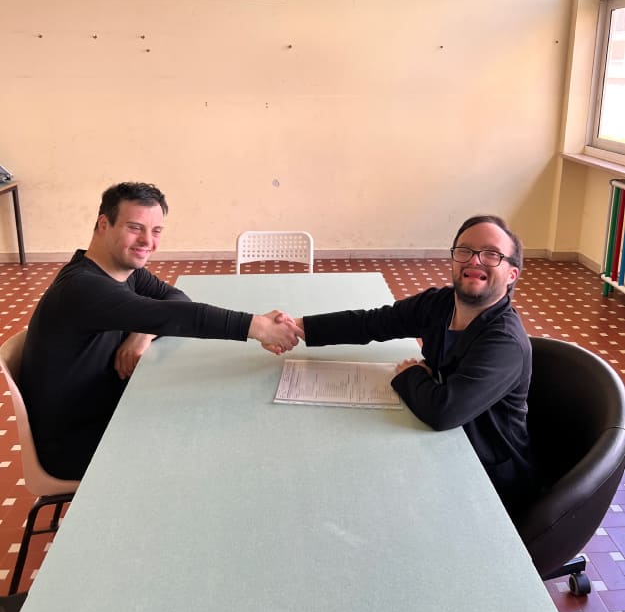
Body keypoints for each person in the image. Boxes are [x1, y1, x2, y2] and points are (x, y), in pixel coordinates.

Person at [20, 182, 302, 480]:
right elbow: (181, 315)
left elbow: (176, 299)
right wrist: (259, 327)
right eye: (134, 228)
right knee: (210, 441)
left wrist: (142, 333)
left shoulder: (123, 271)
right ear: (103, 224)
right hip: (76, 444)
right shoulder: (83, 287)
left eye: (156, 231)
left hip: (108, 407)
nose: (147, 241)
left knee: (208, 408)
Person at [279, 215, 539, 516]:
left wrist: (412, 374)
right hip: (443, 449)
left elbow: (444, 411)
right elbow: (373, 322)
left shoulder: (504, 343)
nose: (474, 260)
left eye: (491, 254)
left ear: (511, 274)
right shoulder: (440, 304)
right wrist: (297, 327)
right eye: (465, 250)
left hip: (490, 483)